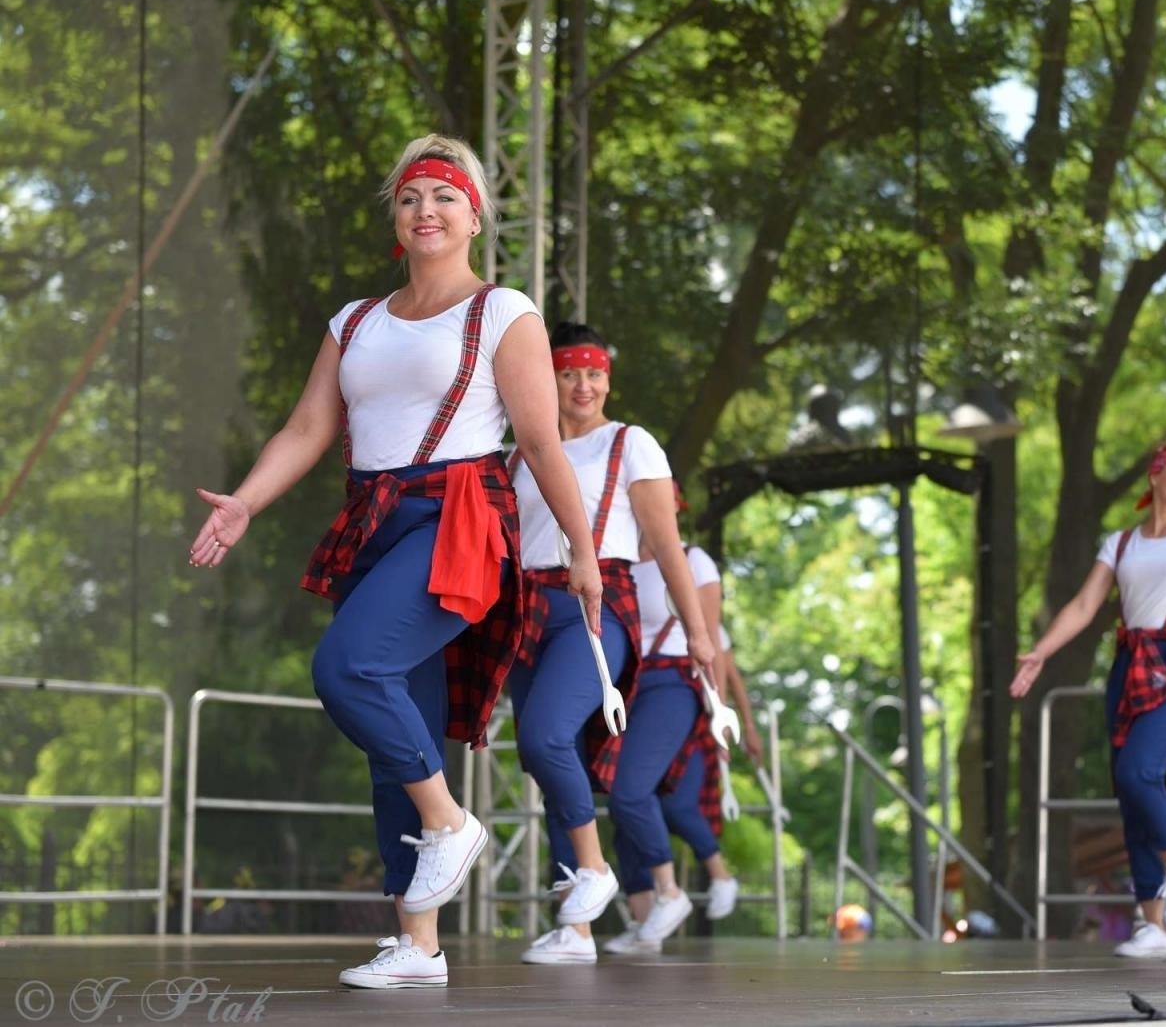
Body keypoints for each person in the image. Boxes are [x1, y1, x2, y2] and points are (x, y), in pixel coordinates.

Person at [186, 135, 601, 988]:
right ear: (396, 218)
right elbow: (308, 428)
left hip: (459, 521)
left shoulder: (504, 312)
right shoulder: (357, 321)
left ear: (474, 215)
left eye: (446, 197)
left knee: (348, 668)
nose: (427, 210)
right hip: (376, 520)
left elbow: (539, 441)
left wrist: (583, 551)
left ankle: (453, 825)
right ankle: (419, 944)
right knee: (395, 737)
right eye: (412, 197)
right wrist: (245, 502)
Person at [509, 324, 717, 966]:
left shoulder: (631, 444)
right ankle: (575, 931)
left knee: (544, 736)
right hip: (525, 612)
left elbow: (670, 548)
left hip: (595, 606)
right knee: (551, 767)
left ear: (608, 379)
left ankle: (597, 873)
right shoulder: (519, 451)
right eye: (569, 372)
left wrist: (699, 633)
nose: (583, 385)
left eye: (594, 372)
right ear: (547, 377)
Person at [1011, 443, 1166, 959]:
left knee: (1139, 771)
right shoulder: (1120, 544)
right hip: (1131, 668)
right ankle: (1155, 927)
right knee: (1133, 796)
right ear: (1156, 476)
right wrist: (1041, 654)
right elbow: (1082, 605)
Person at [603, 527, 746, 956]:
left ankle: (682, 889)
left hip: (675, 684)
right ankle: (646, 921)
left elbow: (714, 644)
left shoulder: (691, 558)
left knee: (637, 795)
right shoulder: (621, 557)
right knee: (625, 800)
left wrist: (721, 712)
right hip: (627, 685)